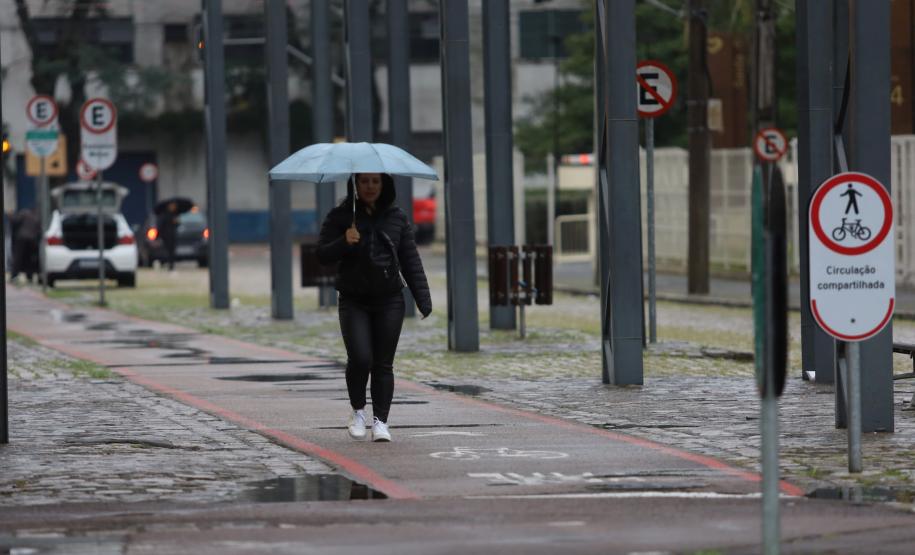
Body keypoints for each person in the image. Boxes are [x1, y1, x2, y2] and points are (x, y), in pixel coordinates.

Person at [317, 172, 432, 443]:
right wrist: (344, 241)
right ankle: (358, 412)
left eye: (375, 181)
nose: (370, 187)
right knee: (360, 358)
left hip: (390, 300)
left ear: (384, 185)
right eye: (364, 181)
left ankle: (381, 421)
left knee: (383, 364)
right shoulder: (341, 216)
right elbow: (321, 255)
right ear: (355, 185)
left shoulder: (397, 218)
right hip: (353, 299)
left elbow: (410, 260)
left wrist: (422, 298)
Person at [10, 208, 40, 283]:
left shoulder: (23, 213)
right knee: (30, 259)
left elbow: (14, 221)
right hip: (32, 239)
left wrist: (11, 216)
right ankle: (29, 276)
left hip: (22, 238)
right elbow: (39, 230)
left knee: (18, 257)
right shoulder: (36, 217)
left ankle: (14, 275)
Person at [156, 202, 179, 270]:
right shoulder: (164, 214)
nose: (173, 208)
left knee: (172, 251)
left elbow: (176, 225)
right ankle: (165, 263)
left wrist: (177, 222)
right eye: (172, 206)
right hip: (166, 236)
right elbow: (160, 226)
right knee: (166, 251)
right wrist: (159, 235)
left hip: (173, 235)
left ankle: (171, 265)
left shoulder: (175, 215)